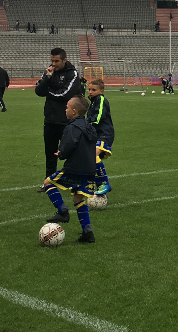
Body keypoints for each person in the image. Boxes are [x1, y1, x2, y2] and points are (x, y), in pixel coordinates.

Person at [40, 95, 97, 244]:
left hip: (75, 168)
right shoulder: (88, 125)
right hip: (90, 168)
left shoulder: (71, 126)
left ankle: (62, 211)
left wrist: (61, 153)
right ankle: (88, 233)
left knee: (48, 183)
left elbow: (68, 144)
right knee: (78, 199)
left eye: (66, 107)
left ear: (74, 111)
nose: (64, 110)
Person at [35, 47, 83, 177]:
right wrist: (47, 78)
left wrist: (48, 92)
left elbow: (65, 94)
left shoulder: (72, 73)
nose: (53, 64)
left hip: (67, 120)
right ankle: (49, 181)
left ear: (64, 60)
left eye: (56, 61)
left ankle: (74, 178)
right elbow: (38, 91)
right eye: (52, 61)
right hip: (50, 119)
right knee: (50, 153)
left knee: (70, 151)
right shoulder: (49, 72)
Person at [86, 79, 114, 196]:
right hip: (95, 135)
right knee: (89, 158)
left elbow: (99, 117)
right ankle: (93, 184)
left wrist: (85, 122)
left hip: (104, 134)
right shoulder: (93, 102)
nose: (90, 92)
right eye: (89, 89)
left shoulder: (101, 99)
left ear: (101, 91)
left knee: (92, 156)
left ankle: (104, 183)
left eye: (94, 90)